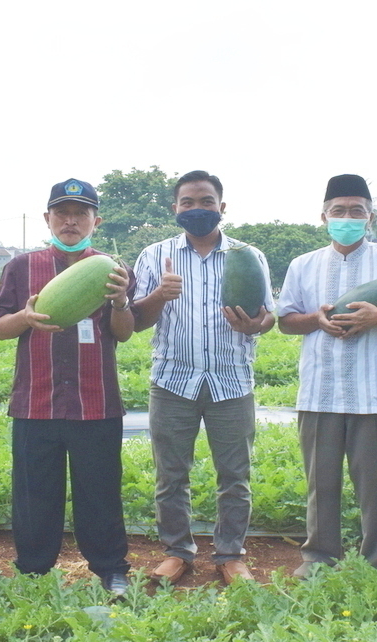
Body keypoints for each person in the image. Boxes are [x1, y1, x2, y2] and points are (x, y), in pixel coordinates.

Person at [278, 174, 377, 578]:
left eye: (357, 211)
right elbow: (286, 321)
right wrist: (318, 319)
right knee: (321, 485)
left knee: (375, 488)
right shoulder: (303, 264)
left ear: (370, 216)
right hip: (320, 390)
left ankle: (375, 561)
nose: (348, 217)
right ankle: (318, 557)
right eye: (339, 210)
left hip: (374, 392)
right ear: (324, 216)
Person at [0, 178, 134, 596]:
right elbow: (0, 328)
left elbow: (122, 333)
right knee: (35, 494)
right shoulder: (21, 267)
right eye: (62, 213)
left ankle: (111, 568)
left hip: (97, 400)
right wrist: (26, 318)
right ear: (48, 218)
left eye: (81, 214)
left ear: (96, 220)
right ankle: (34, 571)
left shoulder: (113, 269)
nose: (71, 221)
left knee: (101, 490)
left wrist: (122, 301)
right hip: (36, 400)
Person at [132, 170, 275, 585]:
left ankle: (230, 554)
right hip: (173, 380)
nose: (197, 209)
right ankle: (178, 552)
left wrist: (255, 326)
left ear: (222, 207)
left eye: (206, 202)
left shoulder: (249, 255)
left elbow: (268, 315)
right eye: (188, 203)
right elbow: (136, 321)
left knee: (235, 475)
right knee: (171, 474)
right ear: (175, 209)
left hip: (231, 380)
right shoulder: (155, 255)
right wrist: (159, 295)